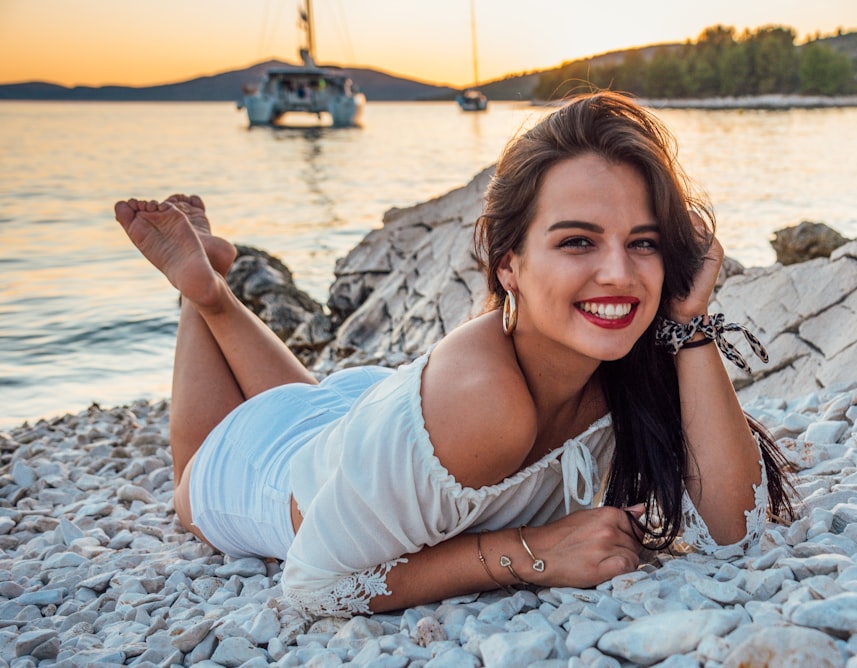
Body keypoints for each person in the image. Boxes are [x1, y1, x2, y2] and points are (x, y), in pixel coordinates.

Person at [113, 91, 793, 619]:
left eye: (643, 242)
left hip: (358, 420)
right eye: (578, 241)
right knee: (188, 487)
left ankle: (218, 291)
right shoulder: (483, 407)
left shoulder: (628, 361)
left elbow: (736, 531)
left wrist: (688, 322)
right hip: (269, 475)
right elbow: (315, 585)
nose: (620, 273)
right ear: (509, 266)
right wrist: (531, 554)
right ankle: (202, 294)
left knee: (317, 417)